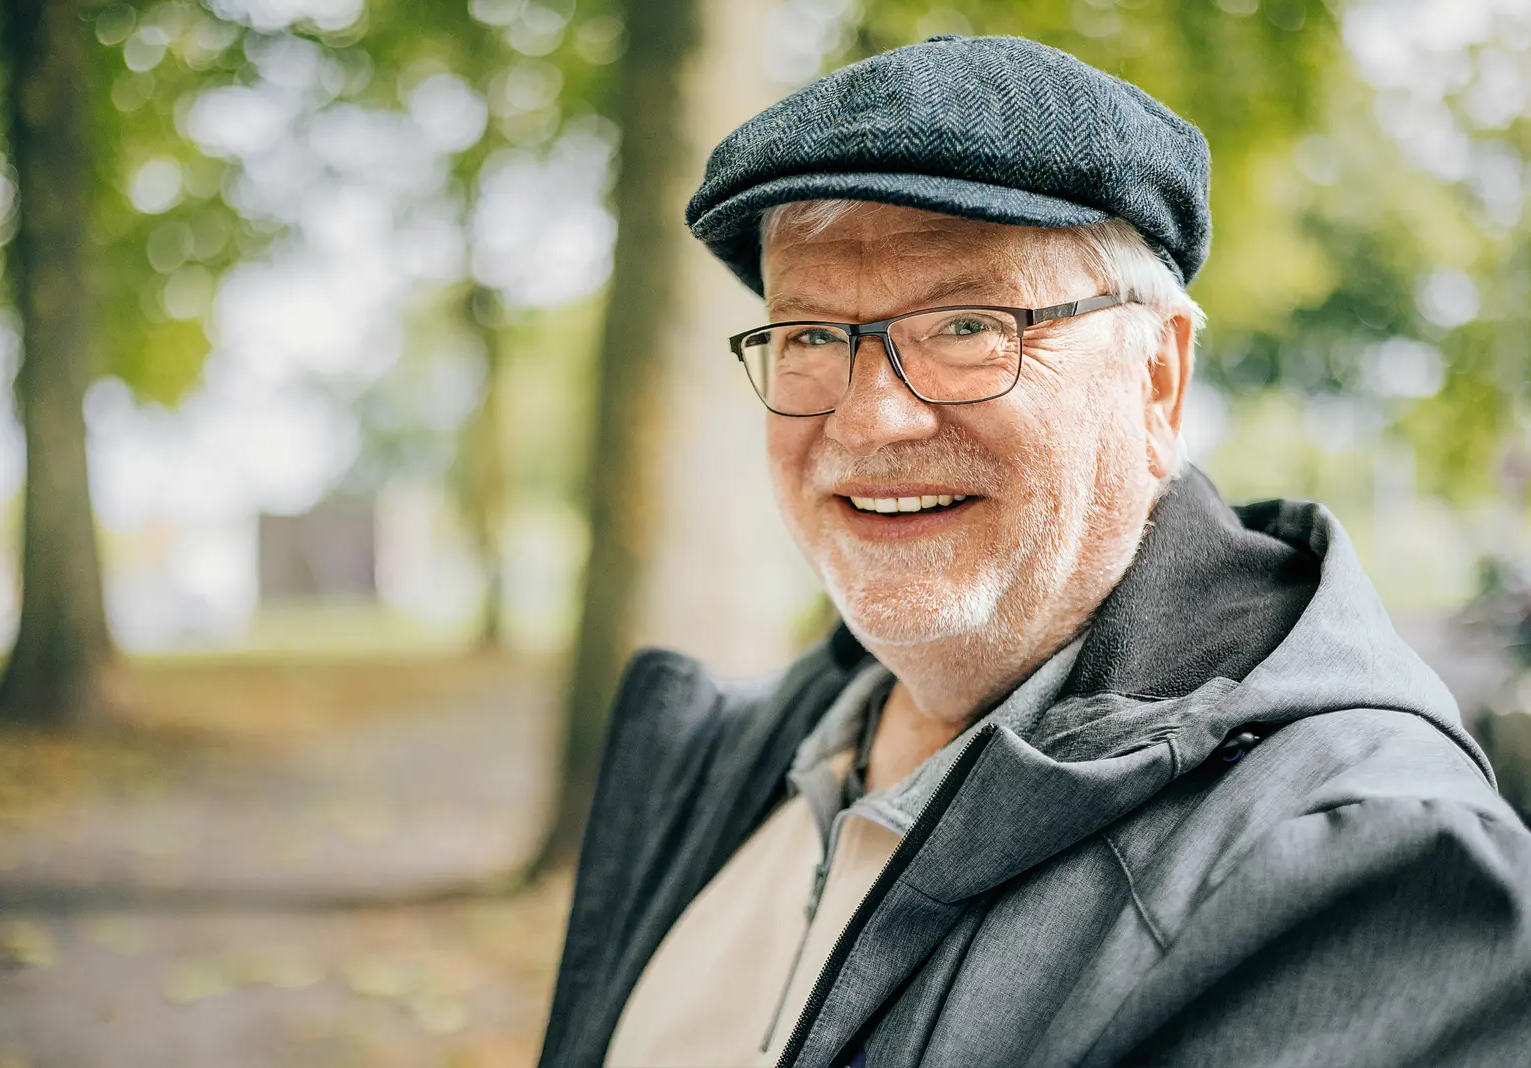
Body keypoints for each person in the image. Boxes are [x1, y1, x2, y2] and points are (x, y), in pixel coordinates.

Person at [538, 35, 1531, 1068]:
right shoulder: (717, 756)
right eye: (810, 335)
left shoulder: (1367, 869)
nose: (872, 419)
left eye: (967, 325)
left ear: (1158, 381)